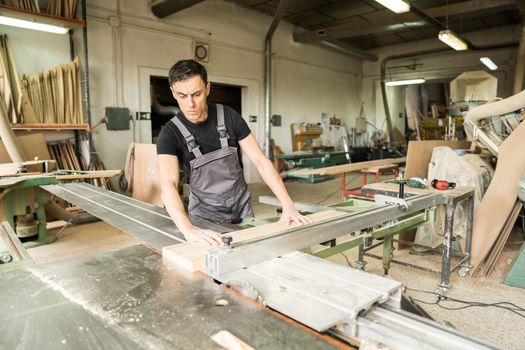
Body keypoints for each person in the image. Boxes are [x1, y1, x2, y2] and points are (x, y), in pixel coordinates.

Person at [157, 59, 310, 246]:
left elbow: (261, 161)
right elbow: (168, 185)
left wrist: (287, 205)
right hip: (204, 219)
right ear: (173, 92)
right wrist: (188, 229)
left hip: (242, 211)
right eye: (182, 96)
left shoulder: (229, 116)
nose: (190, 104)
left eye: (196, 94)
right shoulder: (170, 133)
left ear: (207, 88)